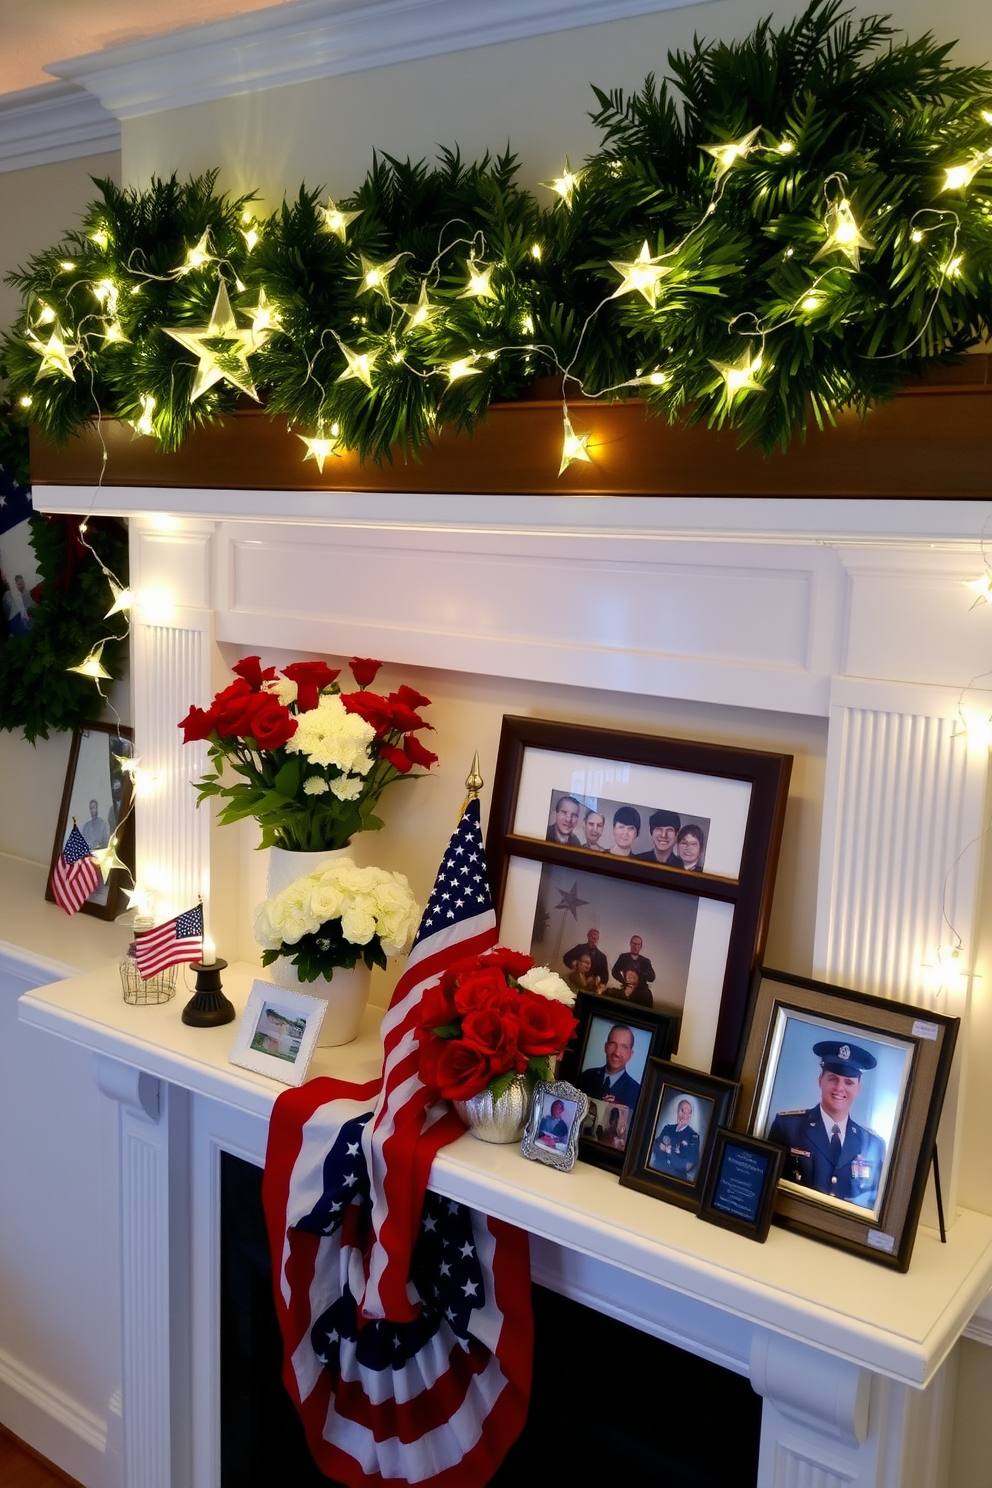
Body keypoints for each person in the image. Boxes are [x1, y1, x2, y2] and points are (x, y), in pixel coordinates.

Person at [768, 1041, 886, 1207]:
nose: (839, 1088)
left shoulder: (873, 1143)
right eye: (833, 1078)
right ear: (820, 1080)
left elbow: (873, 1204)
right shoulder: (788, 1126)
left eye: (848, 1082)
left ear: (858, 1088)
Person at [575, 1023, 641, 1109]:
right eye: (613, 1044)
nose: (617, 1052)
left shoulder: (636, 1092)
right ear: (605, 1047)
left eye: (624, 1047)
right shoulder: (586, 1076)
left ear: (630, 1054)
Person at [651, 1098, 700, 1180]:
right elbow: (653, 1146)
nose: (684, 1115)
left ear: (690, 1116)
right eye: (682, 1111)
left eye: (688, 1113)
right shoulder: (667, 1128)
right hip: (657, 1169)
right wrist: (660, 1147)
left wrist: (671, 1154)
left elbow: (691, 1162)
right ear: (677, 1112)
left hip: (676, 1176)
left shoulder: (693, 1136)